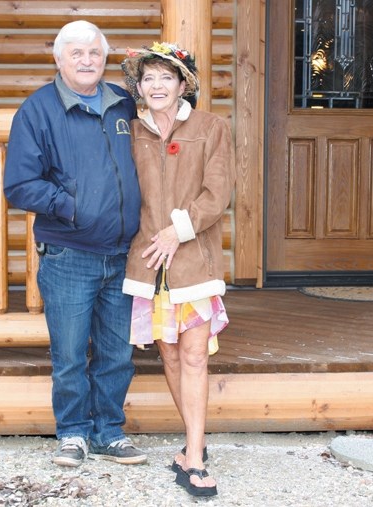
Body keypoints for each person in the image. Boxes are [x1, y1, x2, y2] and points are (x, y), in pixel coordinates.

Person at [3, 20, 146, 468]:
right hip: (69, 254)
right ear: (59, 59)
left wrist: (157, 66)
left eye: (95, 54)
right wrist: (75, 206)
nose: (87, 61)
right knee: (69, 353)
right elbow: (20, 185)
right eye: (77, 54)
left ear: (105, 59)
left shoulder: (126, 103)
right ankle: (72, 432)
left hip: (124, 253)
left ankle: (108, 431)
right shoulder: (37, 110)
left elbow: (180, 108)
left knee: (117, 353)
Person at [121, 42, 236, 496]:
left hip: (192, 257)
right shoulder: (129, 131)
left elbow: (218, 191)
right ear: (139, 87)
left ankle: (194, 454)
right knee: (167, 353)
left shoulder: (211, 127)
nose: (156, 86)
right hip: (148, 260)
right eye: (148, 78)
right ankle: (193, 447)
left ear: (183, 83)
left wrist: (178, 231)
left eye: (165, 77)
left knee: (192, 354)